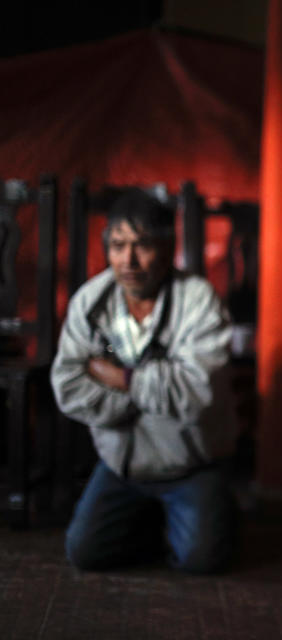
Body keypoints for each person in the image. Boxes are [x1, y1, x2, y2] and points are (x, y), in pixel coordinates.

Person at [52, 189, 236, 573]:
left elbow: (196, 392)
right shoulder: (90, 302)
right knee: (83, 553)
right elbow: (68, 388)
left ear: (168, 250)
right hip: (122, 466)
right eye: (118, 246)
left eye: (143, 246)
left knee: (203, 561)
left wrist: (122, 377)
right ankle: (154, 521)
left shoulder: (199, 301)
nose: (129, 261)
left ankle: (203, 511)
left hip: (189, 465)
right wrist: (145, 397)